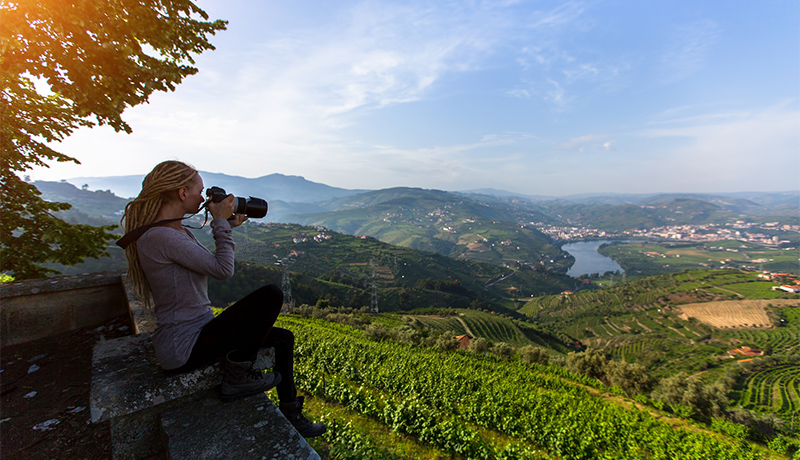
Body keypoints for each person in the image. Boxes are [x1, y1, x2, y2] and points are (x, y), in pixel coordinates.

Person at [120, 160, 325, 438]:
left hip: (198, 332)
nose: (203, 198)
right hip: (184, 344)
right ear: (182, 193)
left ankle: (292, 414)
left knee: (283, 338)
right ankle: (237, 378)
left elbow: (209, 263)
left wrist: (226, 226)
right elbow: (222, 270)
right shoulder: (162, 236)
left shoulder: (175, 232)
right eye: (200, 191)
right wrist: (219, 224)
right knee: (271, 295)